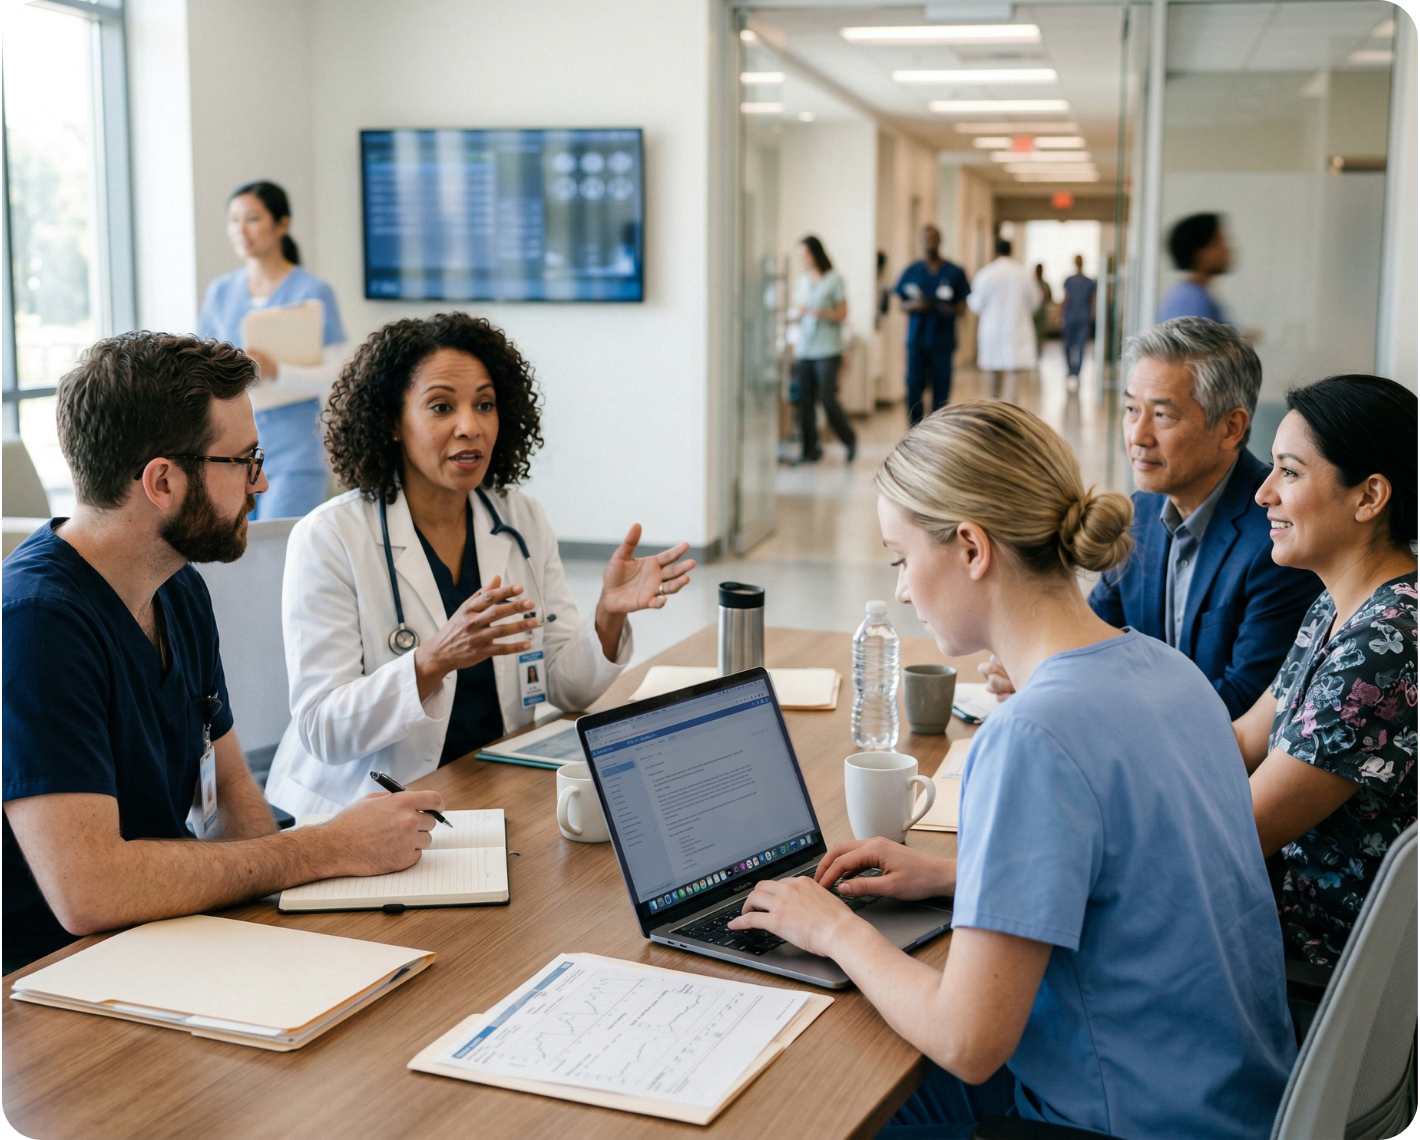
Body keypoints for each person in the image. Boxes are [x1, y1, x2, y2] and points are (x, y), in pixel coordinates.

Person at [728, 401, 1295, 1138]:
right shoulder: (1169, 672)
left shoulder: (1034, 733)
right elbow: (1148, 875)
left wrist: (833, 929)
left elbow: (969, 1042)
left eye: (902, 561)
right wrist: (960, 876)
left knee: (824, 1093)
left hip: (1122, 1121)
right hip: (1238, 1100)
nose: (901, 591)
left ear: (971, 547)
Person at [2, 332, 446, 974]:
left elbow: (233, 794)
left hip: (164, 939)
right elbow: (89, 893)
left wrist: (291, 926)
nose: (263, 481)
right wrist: (325, 848)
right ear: (162, 481)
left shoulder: (177, 588)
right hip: (53, 980)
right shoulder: (37, 626)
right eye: (244, 460)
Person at [263, 313, 696, 816]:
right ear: (391, 422)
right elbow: (323, 729)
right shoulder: (331, 537)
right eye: (441, 406)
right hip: (361, 808)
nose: (470, 427)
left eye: (484, 405)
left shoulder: (520, 518)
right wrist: (433, 660)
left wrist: (608, 615)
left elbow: (566, 688)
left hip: (490, 788)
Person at [981, 318, 1320, 718]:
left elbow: (1240, 700)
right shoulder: (1139, 512)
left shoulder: (1277, 535)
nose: (1137, 436)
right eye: (1130, 409)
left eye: (1162, 416)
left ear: (1231, 428)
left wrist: (1082, 698)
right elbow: (1089, 636)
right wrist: (1037, 670)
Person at [1232, 375, 1416, 972]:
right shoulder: (1338, 604)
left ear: (1369, 497)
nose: (1263, 494)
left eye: (1288, 472)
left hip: (1320, 969)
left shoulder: (1389, 643)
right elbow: (1238, 743)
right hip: (1272, 932)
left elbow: (1236, 836)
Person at [198, 181, 347, 520]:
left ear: (282, 224)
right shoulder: (221, 292)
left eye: (252, 218)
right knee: (237, 556)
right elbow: (199, 367)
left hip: (295, 453)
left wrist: (277, 372)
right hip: (230, 454)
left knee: (279, 555)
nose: (241, 230)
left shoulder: (312, 291)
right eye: (234, 220)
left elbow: (338, 376)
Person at [787, 236, 856, 463]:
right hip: (805, 350)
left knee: (827, 398)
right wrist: (798, 314)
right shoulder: (803, 281)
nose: (803, 259)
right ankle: (809, 449)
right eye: (800, 255)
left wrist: (819, 313)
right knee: (805, 401)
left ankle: (849, 439)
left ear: (816, 254)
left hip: (828, 349)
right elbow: (797, 309)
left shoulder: (834, 280)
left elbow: (843, 313)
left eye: (805, 254)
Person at [895, 224, 970, 425]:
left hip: (942, 341)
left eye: (934, 238)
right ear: (921, 241)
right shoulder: (912, 271)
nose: (930, 242)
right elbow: (901, 302)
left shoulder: (955, 272)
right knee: (913, 386)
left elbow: (963, 305)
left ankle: (937, 431)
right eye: (926, 238)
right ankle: (915, 429)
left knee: (941, 389)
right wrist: (915, 305)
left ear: (940, 240)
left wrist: (950, 309)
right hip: (917, 340)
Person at [967, 239, 1041, 401]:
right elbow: (1035, 302)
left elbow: (976, 304)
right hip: (1017, 328)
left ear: (995, 252)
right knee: (1014, 373)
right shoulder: (1023, 273)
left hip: (992, 329)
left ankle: (994, 409)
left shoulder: (986, 273)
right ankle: (1010, 412)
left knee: (993, 375)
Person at [1158, 212, 1232, 325]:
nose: (1227, 249)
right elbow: (1187, 342)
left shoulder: (1196, 295)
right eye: (1220, 242)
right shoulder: (1190, 300)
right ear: (1199, 252)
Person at [1060, 254, 1096, 382]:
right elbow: (1066, 298)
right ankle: (1070, 370)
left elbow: (1092, 300)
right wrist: (1060, 314)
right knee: (1067, 345)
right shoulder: (1069, 281)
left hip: (1083, 318)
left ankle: (1077, 371)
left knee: (1081, 346)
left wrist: (1092, 315)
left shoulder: (1089, 282)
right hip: (1070, 317)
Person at [1030, 262, 1052, 357]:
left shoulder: (1045, 284)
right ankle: (1032, 354)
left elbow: (1050, 297)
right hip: (1033, 314)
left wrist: (1045, 296)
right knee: (1032, 335)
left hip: (1042, 314)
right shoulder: (1031, 283)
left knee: (1040, 335)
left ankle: (1038, 355)